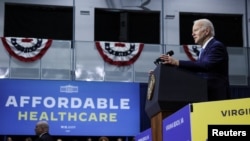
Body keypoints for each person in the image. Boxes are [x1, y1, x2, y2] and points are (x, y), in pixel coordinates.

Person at [159, 18, 230, 101]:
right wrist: (164, 70)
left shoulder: (216, 46)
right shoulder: (204, 50)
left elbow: (206, 65)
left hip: (216, 97)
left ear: (206, 31)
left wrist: (176, 62)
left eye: (195, 30)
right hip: (205, 95)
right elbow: (196, 69)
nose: (192, 34)